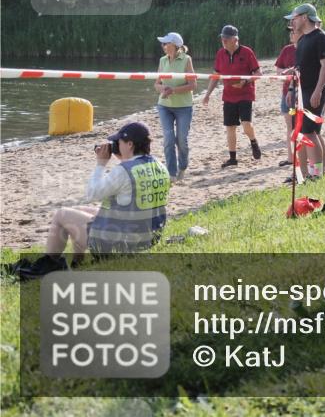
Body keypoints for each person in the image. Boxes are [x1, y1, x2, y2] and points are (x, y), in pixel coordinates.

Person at [18, 123, 169, 279]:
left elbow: (92, 194)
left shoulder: (124, 171)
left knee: (61, 215)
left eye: (119, 142)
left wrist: (101, 164)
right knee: (82, 211)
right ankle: (78, 263)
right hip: (147, 237)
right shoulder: (159, 166)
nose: (116, 146)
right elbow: (132, 197)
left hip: (122, 245)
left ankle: (48, 265)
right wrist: (124, 158)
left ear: (129, 144)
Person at [286, 3, 325, 179]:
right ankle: (302, 174)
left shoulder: (321, 38)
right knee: (300, 133)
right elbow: (299, 68)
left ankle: (317, 175)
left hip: (314, 91)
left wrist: (318, 91)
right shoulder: (302, 40)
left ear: (304, 17)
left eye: (294, 18)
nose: (292, 22)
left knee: (311, 132)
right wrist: (291, 89)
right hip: (301, 92)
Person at [202, 25, 262, 167]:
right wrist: (207, 94)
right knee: (230, 127)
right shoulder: (220, 54)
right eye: (222, 38)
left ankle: (253, 141)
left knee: (246, 125)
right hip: (228, 95)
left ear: (235, 39)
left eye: (227, 38)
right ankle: (232, 158)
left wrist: (245, 81)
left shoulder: (247, 52)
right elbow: (216, 76)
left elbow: (258, 74)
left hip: (245, 94)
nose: (223, 40)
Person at [154, 32, 195, 180]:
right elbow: (156, 84)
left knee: (181, 140)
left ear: (175, 45)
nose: (163, 45)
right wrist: (163, 89)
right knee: (169, 138)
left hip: (184, 106)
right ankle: (171, 173)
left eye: (166, 43)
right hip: (164, 106)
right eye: (163, 43)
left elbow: (192, 85)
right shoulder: (162, 60)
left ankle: (182, 166)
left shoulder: (186, 59)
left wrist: (173, 90)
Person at [275, 26, 300, 167]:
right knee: (290, 125)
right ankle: (291, 158)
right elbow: (279, 71)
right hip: (287, 94)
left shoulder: (305, 49)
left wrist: (291, 72)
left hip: (301, 94)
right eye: (290, 31)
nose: (291, 34)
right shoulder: (287, 50)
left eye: (293, 31)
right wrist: (286, 72)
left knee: (301, 126)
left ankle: (301, 158)